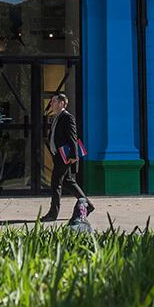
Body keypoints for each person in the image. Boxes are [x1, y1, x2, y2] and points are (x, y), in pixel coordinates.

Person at [44, 91, 90, 221]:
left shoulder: (67, 117)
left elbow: (72, 137)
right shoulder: (56, 117)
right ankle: (88, 205)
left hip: (65, 157)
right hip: (58, 156)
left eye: (54, 101)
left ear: (62, 103)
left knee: (55, 183)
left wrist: (73, 155)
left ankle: (53, 213)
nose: (51, 104)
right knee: (69, 182)